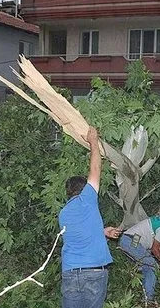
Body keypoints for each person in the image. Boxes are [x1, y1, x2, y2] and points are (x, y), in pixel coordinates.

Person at [58, 127, 121, 308]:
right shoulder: (87, 198)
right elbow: (95, 168)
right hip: (93, 273)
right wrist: (93, 141)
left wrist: (103, 232)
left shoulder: (63, 213)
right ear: (83, 189)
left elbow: (80, 236)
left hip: (70, 273)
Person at [119, 215, 160, 306]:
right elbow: (155, 249)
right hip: (132, 241)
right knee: (152, 266)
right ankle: (149, 299)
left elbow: (159, 246)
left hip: (129, 239)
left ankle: (139, 294)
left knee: (143, 268)